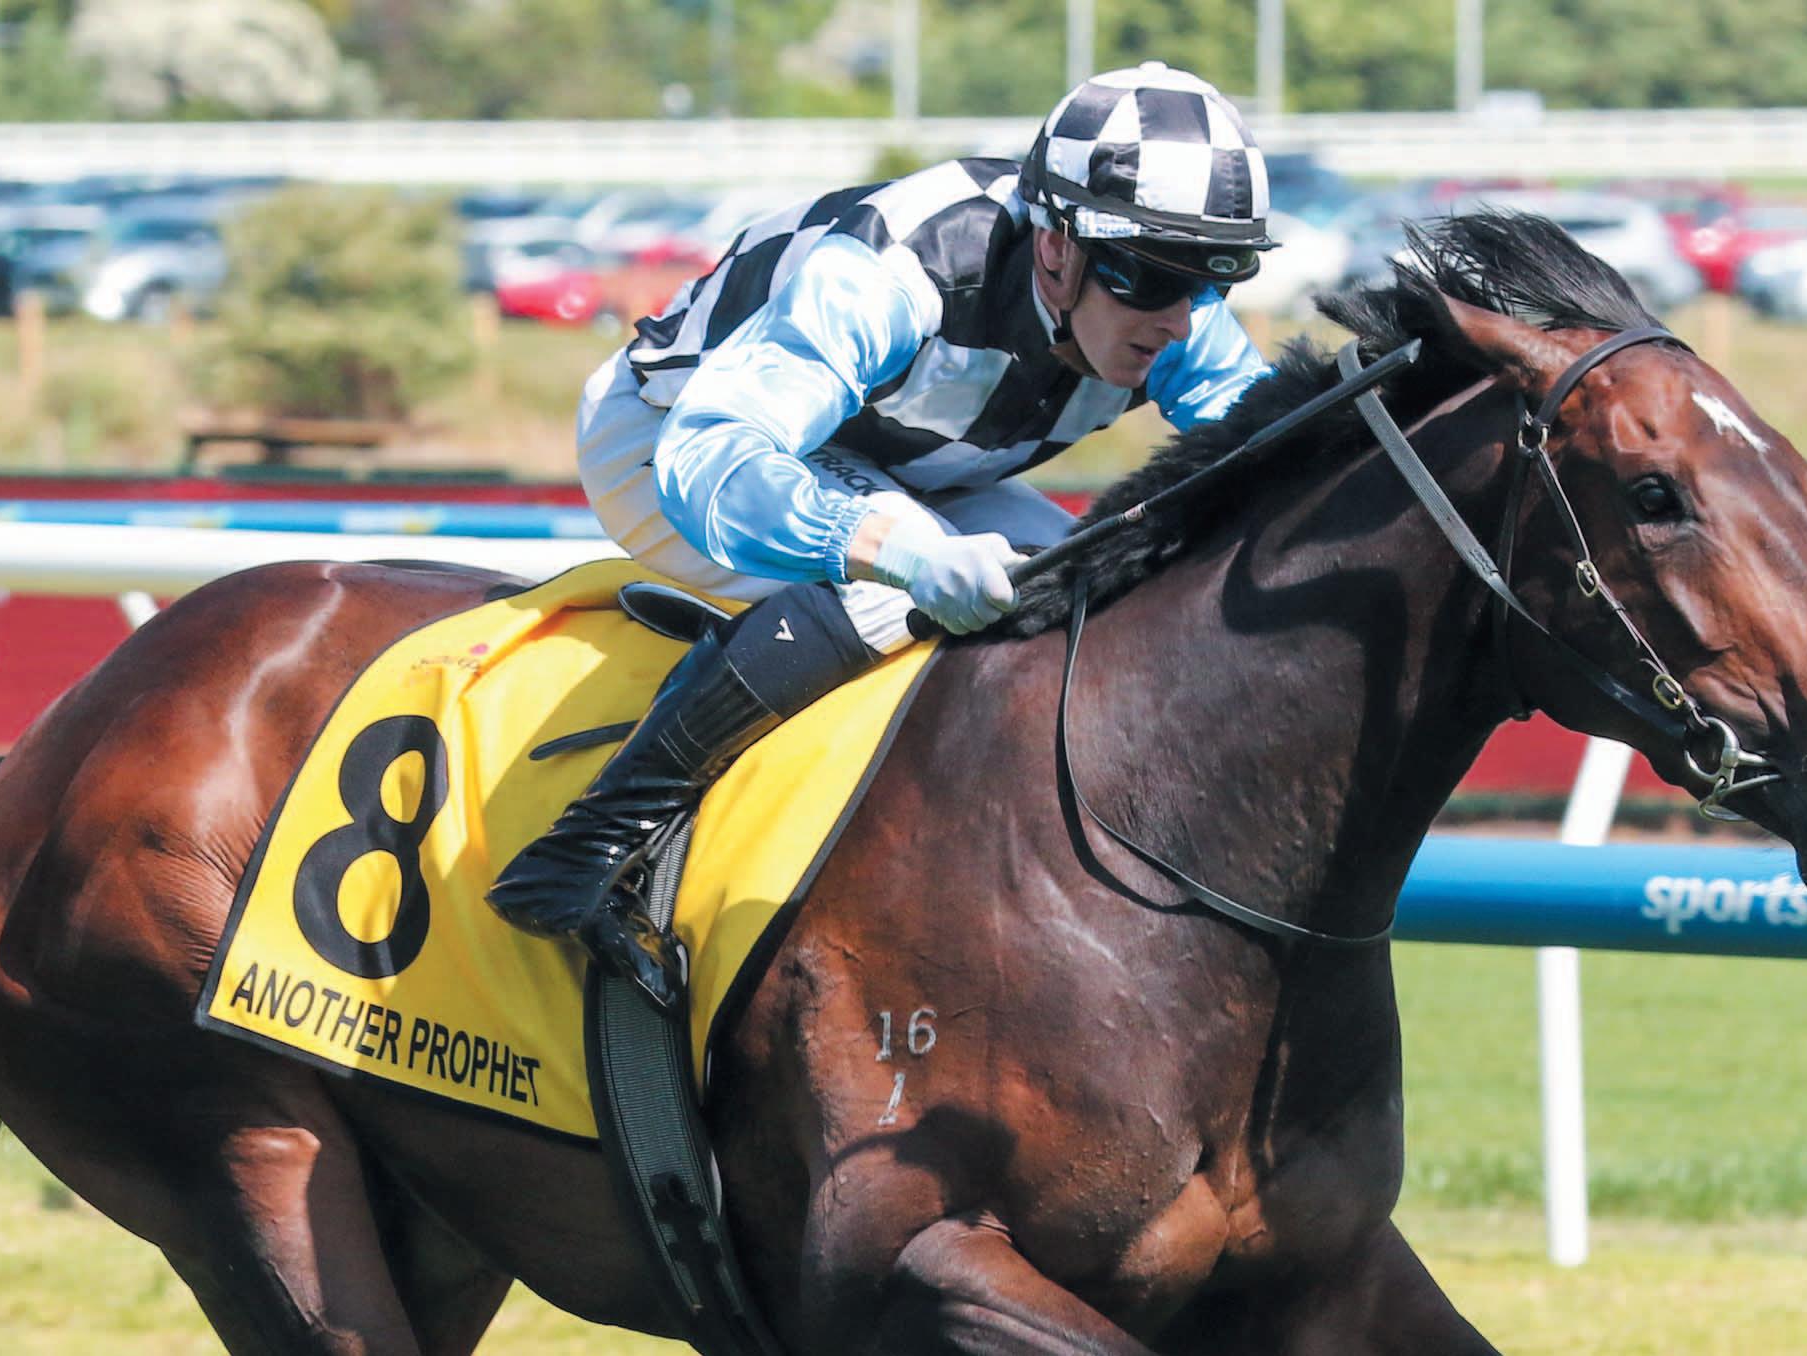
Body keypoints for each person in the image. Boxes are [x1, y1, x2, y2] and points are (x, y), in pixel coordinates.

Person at [488, 61, 1280, 1004]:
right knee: (893, 585)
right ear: (1054, 246)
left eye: (1212, 277)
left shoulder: (1176, 318)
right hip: (669, 440)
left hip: (901, 464)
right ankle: (587, 848)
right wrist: (896, 554)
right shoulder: (897, 270)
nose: (1177, 318)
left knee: (1077, 580)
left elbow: (1279, 453)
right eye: (1147, 274)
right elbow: (712, 460)